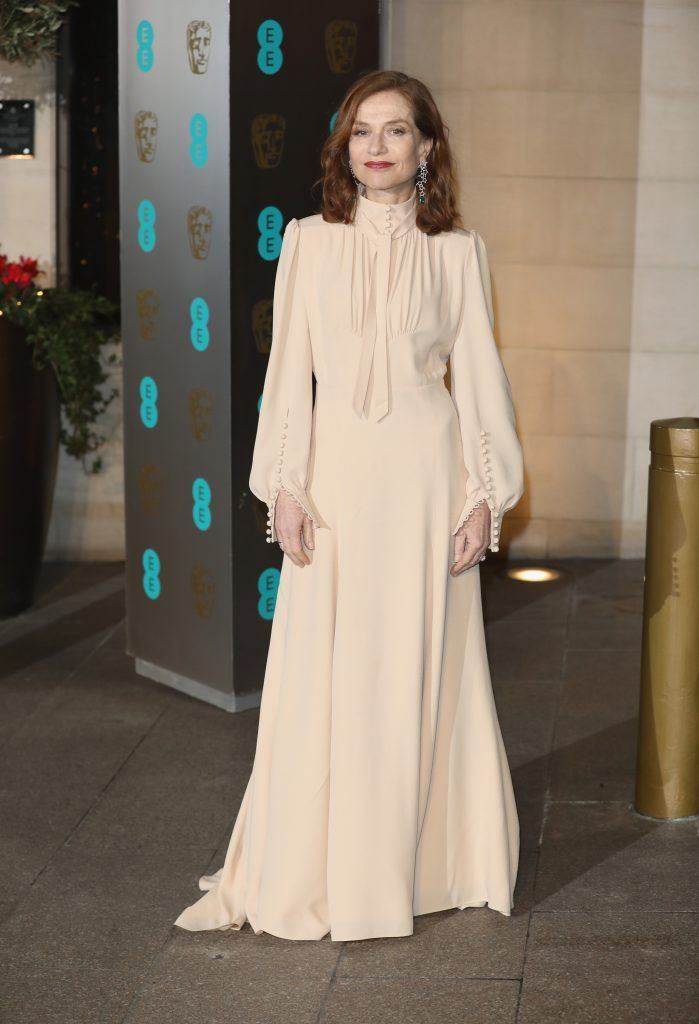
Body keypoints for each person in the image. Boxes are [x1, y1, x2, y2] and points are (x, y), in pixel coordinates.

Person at [174, 69, 525, 942]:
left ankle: (420, 864)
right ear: (344, 148)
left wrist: (484, 497)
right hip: (334, 483)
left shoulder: (458, 252)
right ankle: (313, 867)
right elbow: (286, 374)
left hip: (424, 484)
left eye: (396, 131)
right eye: (362, 131)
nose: (376, 146)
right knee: (322, 672)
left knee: (417, 669)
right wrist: (285, 484)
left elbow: (480, 381)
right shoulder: (308, 241)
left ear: (425, 148)